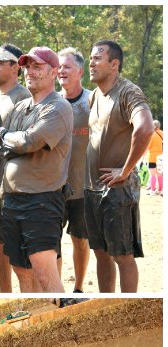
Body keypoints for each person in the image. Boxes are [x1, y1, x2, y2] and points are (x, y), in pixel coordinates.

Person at [0, 47, 73, 292]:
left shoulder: (58, 107)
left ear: (53, 72)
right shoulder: (20, 107)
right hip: (12, 200)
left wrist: (10, 139)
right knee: (22, 273)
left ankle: (62, 320)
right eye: (27, 66)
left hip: (41, 201)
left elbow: (31, 141)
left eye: (37, 67)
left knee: (45, 274)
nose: (30, 72)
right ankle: (40, 316)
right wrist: (14, 140)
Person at [85, 40, 154, 293]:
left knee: (122, 256)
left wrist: (125, 171)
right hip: (92, 189)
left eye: (97, 59)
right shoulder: (94, 96)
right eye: (90, 58)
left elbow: (146, 128)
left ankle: (127, 305)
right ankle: (107, 299)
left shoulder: (128, 92)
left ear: (114, 65)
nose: (91, 63)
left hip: (117, 191)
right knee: (101, 253)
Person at [0, 44, 31, 293]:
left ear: (16, 67)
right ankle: (6, 294)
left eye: (1, 62)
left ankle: (28, 296)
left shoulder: (25, 98)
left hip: (14, 187)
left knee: (18, 249)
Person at [57, 47, 92, 293]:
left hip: (83, 186)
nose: (61, 71)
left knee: (80, 240)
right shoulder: (51, 102)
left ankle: (78, 288)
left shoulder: (93, 101)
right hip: (52, 186)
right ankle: (55, 288)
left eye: (66, 67)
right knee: (51, 242)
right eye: (58, 67)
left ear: (80, 71)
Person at [146, 120, 163, 195]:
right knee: (159, 175)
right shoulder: (163, 133)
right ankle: (159, 190)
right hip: (161, 158)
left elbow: (148, 146)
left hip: (152, 157)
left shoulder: (152, 135)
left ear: (154, 126)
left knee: (152, 175)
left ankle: (152, 190)